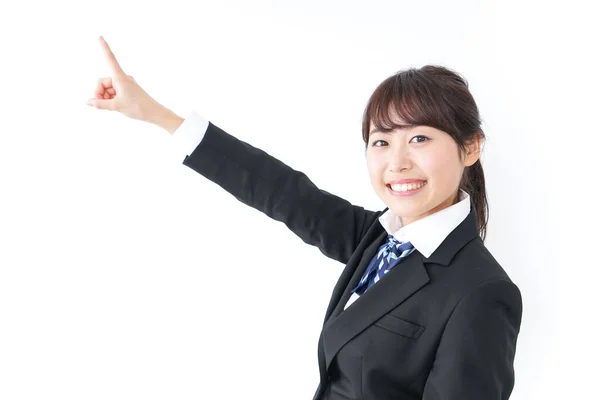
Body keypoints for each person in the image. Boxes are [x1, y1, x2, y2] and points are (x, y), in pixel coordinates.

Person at [87, 35, 523, 400]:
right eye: (381, 142)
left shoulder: (482, 293)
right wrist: (157, 115)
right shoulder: (378, 238)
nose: (398, 163)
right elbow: (284, 192)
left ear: (471, 147)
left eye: (420, 138)